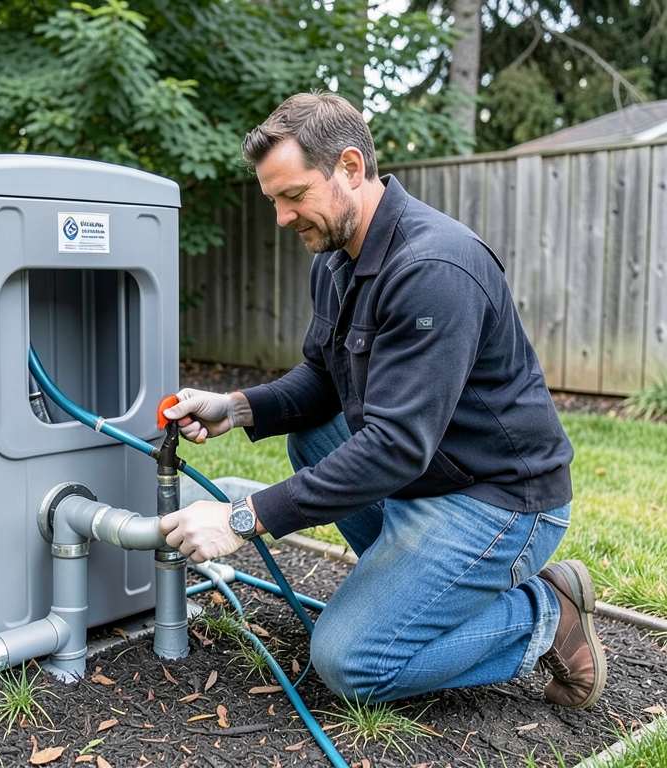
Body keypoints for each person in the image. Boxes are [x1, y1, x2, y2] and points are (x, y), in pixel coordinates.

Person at [158, 92, 606, 709]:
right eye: (274, 201)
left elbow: (395, 447)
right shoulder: (339, 257)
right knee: (313, 433)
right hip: (431, 475)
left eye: (294, 196)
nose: (283, 219)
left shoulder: (434, 268)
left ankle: (542, 613)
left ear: (349, 167)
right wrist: (234, 406)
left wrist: (243, 518)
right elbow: (323, 380)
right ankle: (425, 589)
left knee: (350, 663)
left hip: (499, 500)